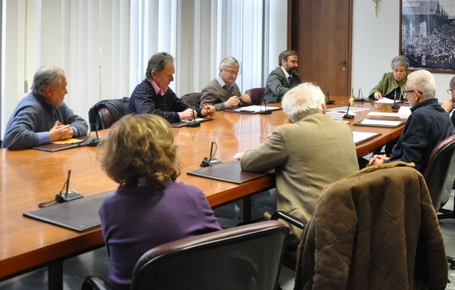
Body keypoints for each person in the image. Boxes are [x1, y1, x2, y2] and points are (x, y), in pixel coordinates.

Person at [99, 114, 221, 290]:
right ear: (168, 151)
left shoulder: (110, 207)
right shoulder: (192, 196)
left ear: (115, 157)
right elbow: (221, 249)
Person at [236, 83, 358, 245]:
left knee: (241, 230)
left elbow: (249, 162)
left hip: (307, 228)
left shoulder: (287, 134)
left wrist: (280, 138)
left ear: (288, 115)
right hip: (350, 224)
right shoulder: (344, 130)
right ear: (323, 107)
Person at [368, 70, 454, 171]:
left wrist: (382, 164)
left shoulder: (420, 117)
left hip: (409, 179)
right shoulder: (442, 112)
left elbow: (410, 164)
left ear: (416, 95)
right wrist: (389, 160)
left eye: (406, 92)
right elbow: (416, 155)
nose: (405, 96)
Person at [2, 66, 88, 149]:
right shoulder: (31, 107)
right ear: (50, 91)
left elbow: (81, 123)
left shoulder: (56, 104)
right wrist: (50, 136)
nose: (66, 92)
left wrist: (70, 130)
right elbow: (13, 137)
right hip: (19, 162)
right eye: (63, 87)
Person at [128, 52, 215, 122]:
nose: (172, 79)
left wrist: (201, 112)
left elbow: (181, 106)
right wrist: (180, 116)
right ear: (154, 74)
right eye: (168, 75)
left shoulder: (165, 90)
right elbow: (149, 116)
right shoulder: (142, 90)